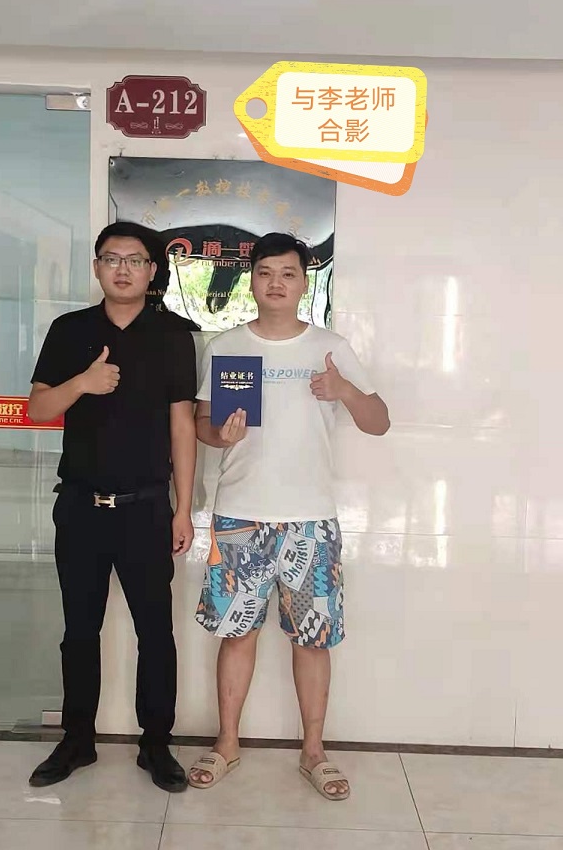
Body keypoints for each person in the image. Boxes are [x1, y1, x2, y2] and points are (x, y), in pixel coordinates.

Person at [188, 232, 390, 800]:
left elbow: (378, 422)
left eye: (288, 273)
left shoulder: (330, 347)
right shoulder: (227, 345)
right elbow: (203, 424)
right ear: (251, 280)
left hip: (310, 519)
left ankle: (314, 751)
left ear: (305, 282)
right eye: (265, 272)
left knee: (313, 640)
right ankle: (227, 743)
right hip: (240, 516)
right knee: (236, 634)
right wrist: (219, 435)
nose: (276, 282)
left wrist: (343, 389)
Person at [27, 221, 197, 793]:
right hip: (80, 506)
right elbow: (39, 408)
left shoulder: (173, 335)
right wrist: (83, 382)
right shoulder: (69, 330)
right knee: (80, 630)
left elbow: (182, 425)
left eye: (135, 259)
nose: (123, 269)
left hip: (146, 508)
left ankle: (156, 744)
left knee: (156, 631)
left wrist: (182, 508)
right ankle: (77, 740)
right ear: (97, 267)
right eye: (111, 258)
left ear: (153, 271)